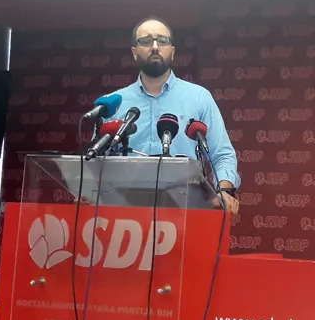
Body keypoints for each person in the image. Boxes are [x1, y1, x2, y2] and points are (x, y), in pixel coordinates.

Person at [100, 17, 240, 215]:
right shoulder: (114, 103)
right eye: (146, 41)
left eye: (162, 40)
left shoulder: (199, 97)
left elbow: (222, 154)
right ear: (134, 52)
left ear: (172, 51)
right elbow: (97, 162)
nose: (155, 47)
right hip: (123, 214)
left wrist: (224, 191)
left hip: (186, 210)